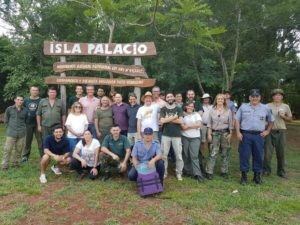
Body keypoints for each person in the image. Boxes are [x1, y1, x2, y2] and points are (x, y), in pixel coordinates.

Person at [235, 89, 274, 185]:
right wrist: (238, 132)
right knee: (244, 155)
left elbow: (271, 120)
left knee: (258, 156)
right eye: (253, 96)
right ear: (249, 97)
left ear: (260, 97)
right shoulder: (243, 107)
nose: (255, 98)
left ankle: (257, 176)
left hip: (259, 136)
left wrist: (267, 131)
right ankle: (244, 176)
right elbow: (237, 120)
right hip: (245, 135)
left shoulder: (266, 108)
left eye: (257, 96)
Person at [263, 89, 292, 178]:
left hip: (281, 131)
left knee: (281, 153)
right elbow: (263, 118)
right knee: (267, 153)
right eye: (275, 95)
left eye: (279, 95)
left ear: (282, 97)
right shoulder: (267, 106)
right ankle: (266, 171)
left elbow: (290, 119)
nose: (277, 97)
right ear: (273, 97)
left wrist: (283, 116)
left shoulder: (286, 106)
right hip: (270, 131)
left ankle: (281, 172)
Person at [206, 94, 233, 180]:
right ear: (216, 100)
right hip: (215, 134)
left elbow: (230, 124)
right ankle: (209, 171)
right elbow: (209, 124)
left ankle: (224, 171)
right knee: (213, 153)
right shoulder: (212, 110)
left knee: (225, 153)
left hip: (225, 134)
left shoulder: (228, 111)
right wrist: (209, 134)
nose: (220, 100)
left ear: (224, 100)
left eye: (222, 99)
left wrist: (230, 134)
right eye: (218, 99)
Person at [160, 92, 184, 181]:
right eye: (168, 97)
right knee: (164, 155)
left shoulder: (179, 108)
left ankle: (179, 173)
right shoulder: (163, 108)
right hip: (165, 135)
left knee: (178, 156)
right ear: (166, 99)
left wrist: (167, 119)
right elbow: (162, 121)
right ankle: (164, 172)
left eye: (171, 96)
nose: (169, 98)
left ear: (173, 98)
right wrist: (174, 117)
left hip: (176, 135)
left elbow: (181, 121)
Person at [2, 95, 28, 170]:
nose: (20, 101)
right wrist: (9, 128)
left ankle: (16, 164)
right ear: (15, 100)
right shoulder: (9, 109)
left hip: (21, 133)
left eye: (21, 100)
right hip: (11, 133)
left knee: (19, 149)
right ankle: (4, 165)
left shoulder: (25, 110)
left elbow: (26, 120)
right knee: (7, 149)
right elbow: (6, 120)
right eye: (18, 99)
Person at [181, 101, 204, 182]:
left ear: (193, 107)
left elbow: (199, 125)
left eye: (192, 106)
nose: (190, 107)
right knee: (186, 155)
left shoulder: (197, 115)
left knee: (194, 156)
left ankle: (197, 174)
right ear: (186, 107)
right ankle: (187, 171)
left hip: (195, 138)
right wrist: (192, 126)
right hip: (185, 137)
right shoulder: (183, 116)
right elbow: (183, 127)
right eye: (188, 106)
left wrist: (188, 125)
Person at [22, 86, 42, 162]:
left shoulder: (41, 100)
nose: (35, 92)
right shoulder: (26, 100)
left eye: (36, 90)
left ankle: (43, 156)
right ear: (30, 91)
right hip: (28, 123)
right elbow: (22, 109)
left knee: (40, 141)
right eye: (33, 90)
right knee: (27, 141)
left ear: (38, 92)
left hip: (38, 123)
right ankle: (25, 156)